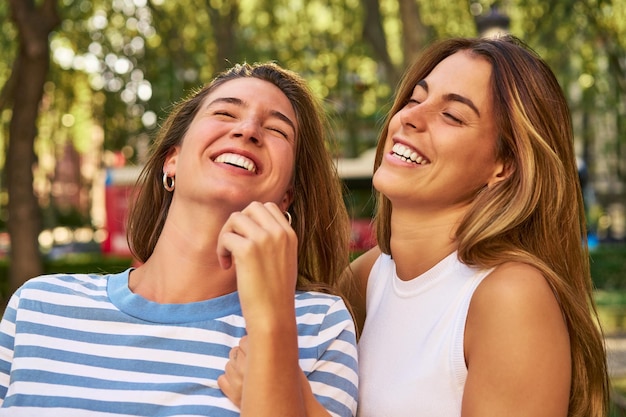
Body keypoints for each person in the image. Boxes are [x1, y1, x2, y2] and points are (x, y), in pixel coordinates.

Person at [0, 62, 358, 416]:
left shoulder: (319, 326)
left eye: (277, 130)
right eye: (225, 113)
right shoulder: (37, 305)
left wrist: (271, 338)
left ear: (286, 197)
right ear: (172, 159)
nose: (248, 130)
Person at [348, 35, 609, 417]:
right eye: (416, 99)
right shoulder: (368, 277)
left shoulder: (511, 296)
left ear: (504, 166)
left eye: (451, 115)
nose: (409, 117)